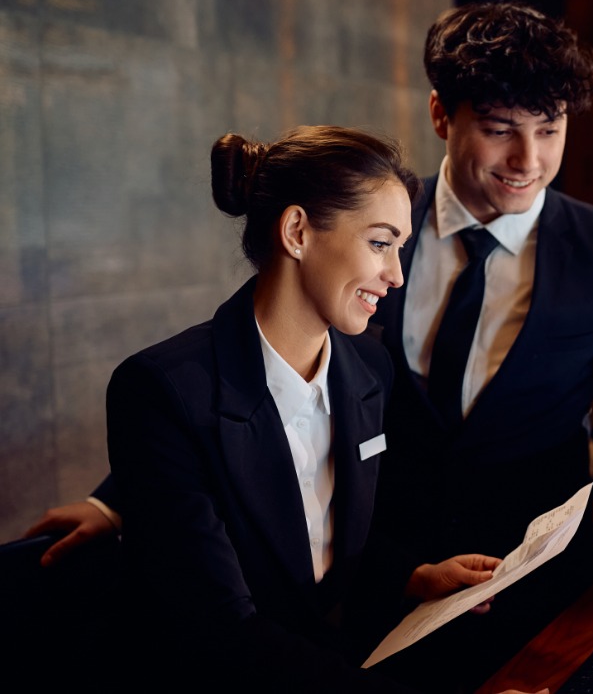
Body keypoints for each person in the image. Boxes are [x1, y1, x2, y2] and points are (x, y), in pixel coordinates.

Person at [24, 2, 593, 690]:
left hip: (524, 582)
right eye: (502, 126)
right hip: (372, 585)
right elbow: (238, 388)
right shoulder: (362, 210)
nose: (528, 158)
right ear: (443, 114)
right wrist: (129, 502)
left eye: (551, 129)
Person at [90, 125, 539, 694]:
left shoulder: (369, 368)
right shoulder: (160, 391)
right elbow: (223, 632)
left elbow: (322, 536)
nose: (396, 275)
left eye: (400, 248)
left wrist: (413, 576)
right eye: (380, 243)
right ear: (298, 231)